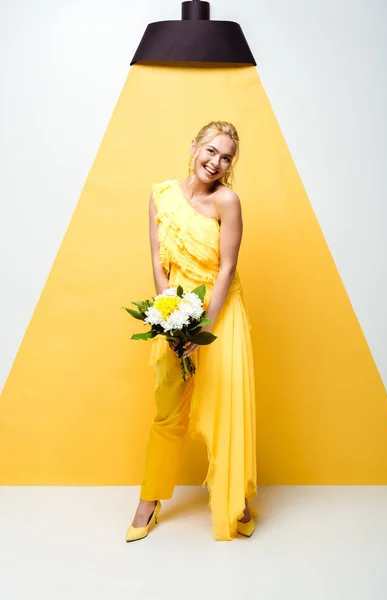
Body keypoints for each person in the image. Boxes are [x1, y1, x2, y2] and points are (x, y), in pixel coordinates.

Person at [126, 121, 257, 542]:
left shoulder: (228, 201)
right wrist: (172, 321)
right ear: (194, 147)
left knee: (224, 405)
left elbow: (228, 269)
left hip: (220, 313)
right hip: (177, 314)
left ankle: (237, 499)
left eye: (226, 158)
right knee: (167, 409)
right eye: (211, 151)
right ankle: (150, 500)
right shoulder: (161, 195)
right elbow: (157, 261)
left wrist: (204, 325)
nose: (216, 163)